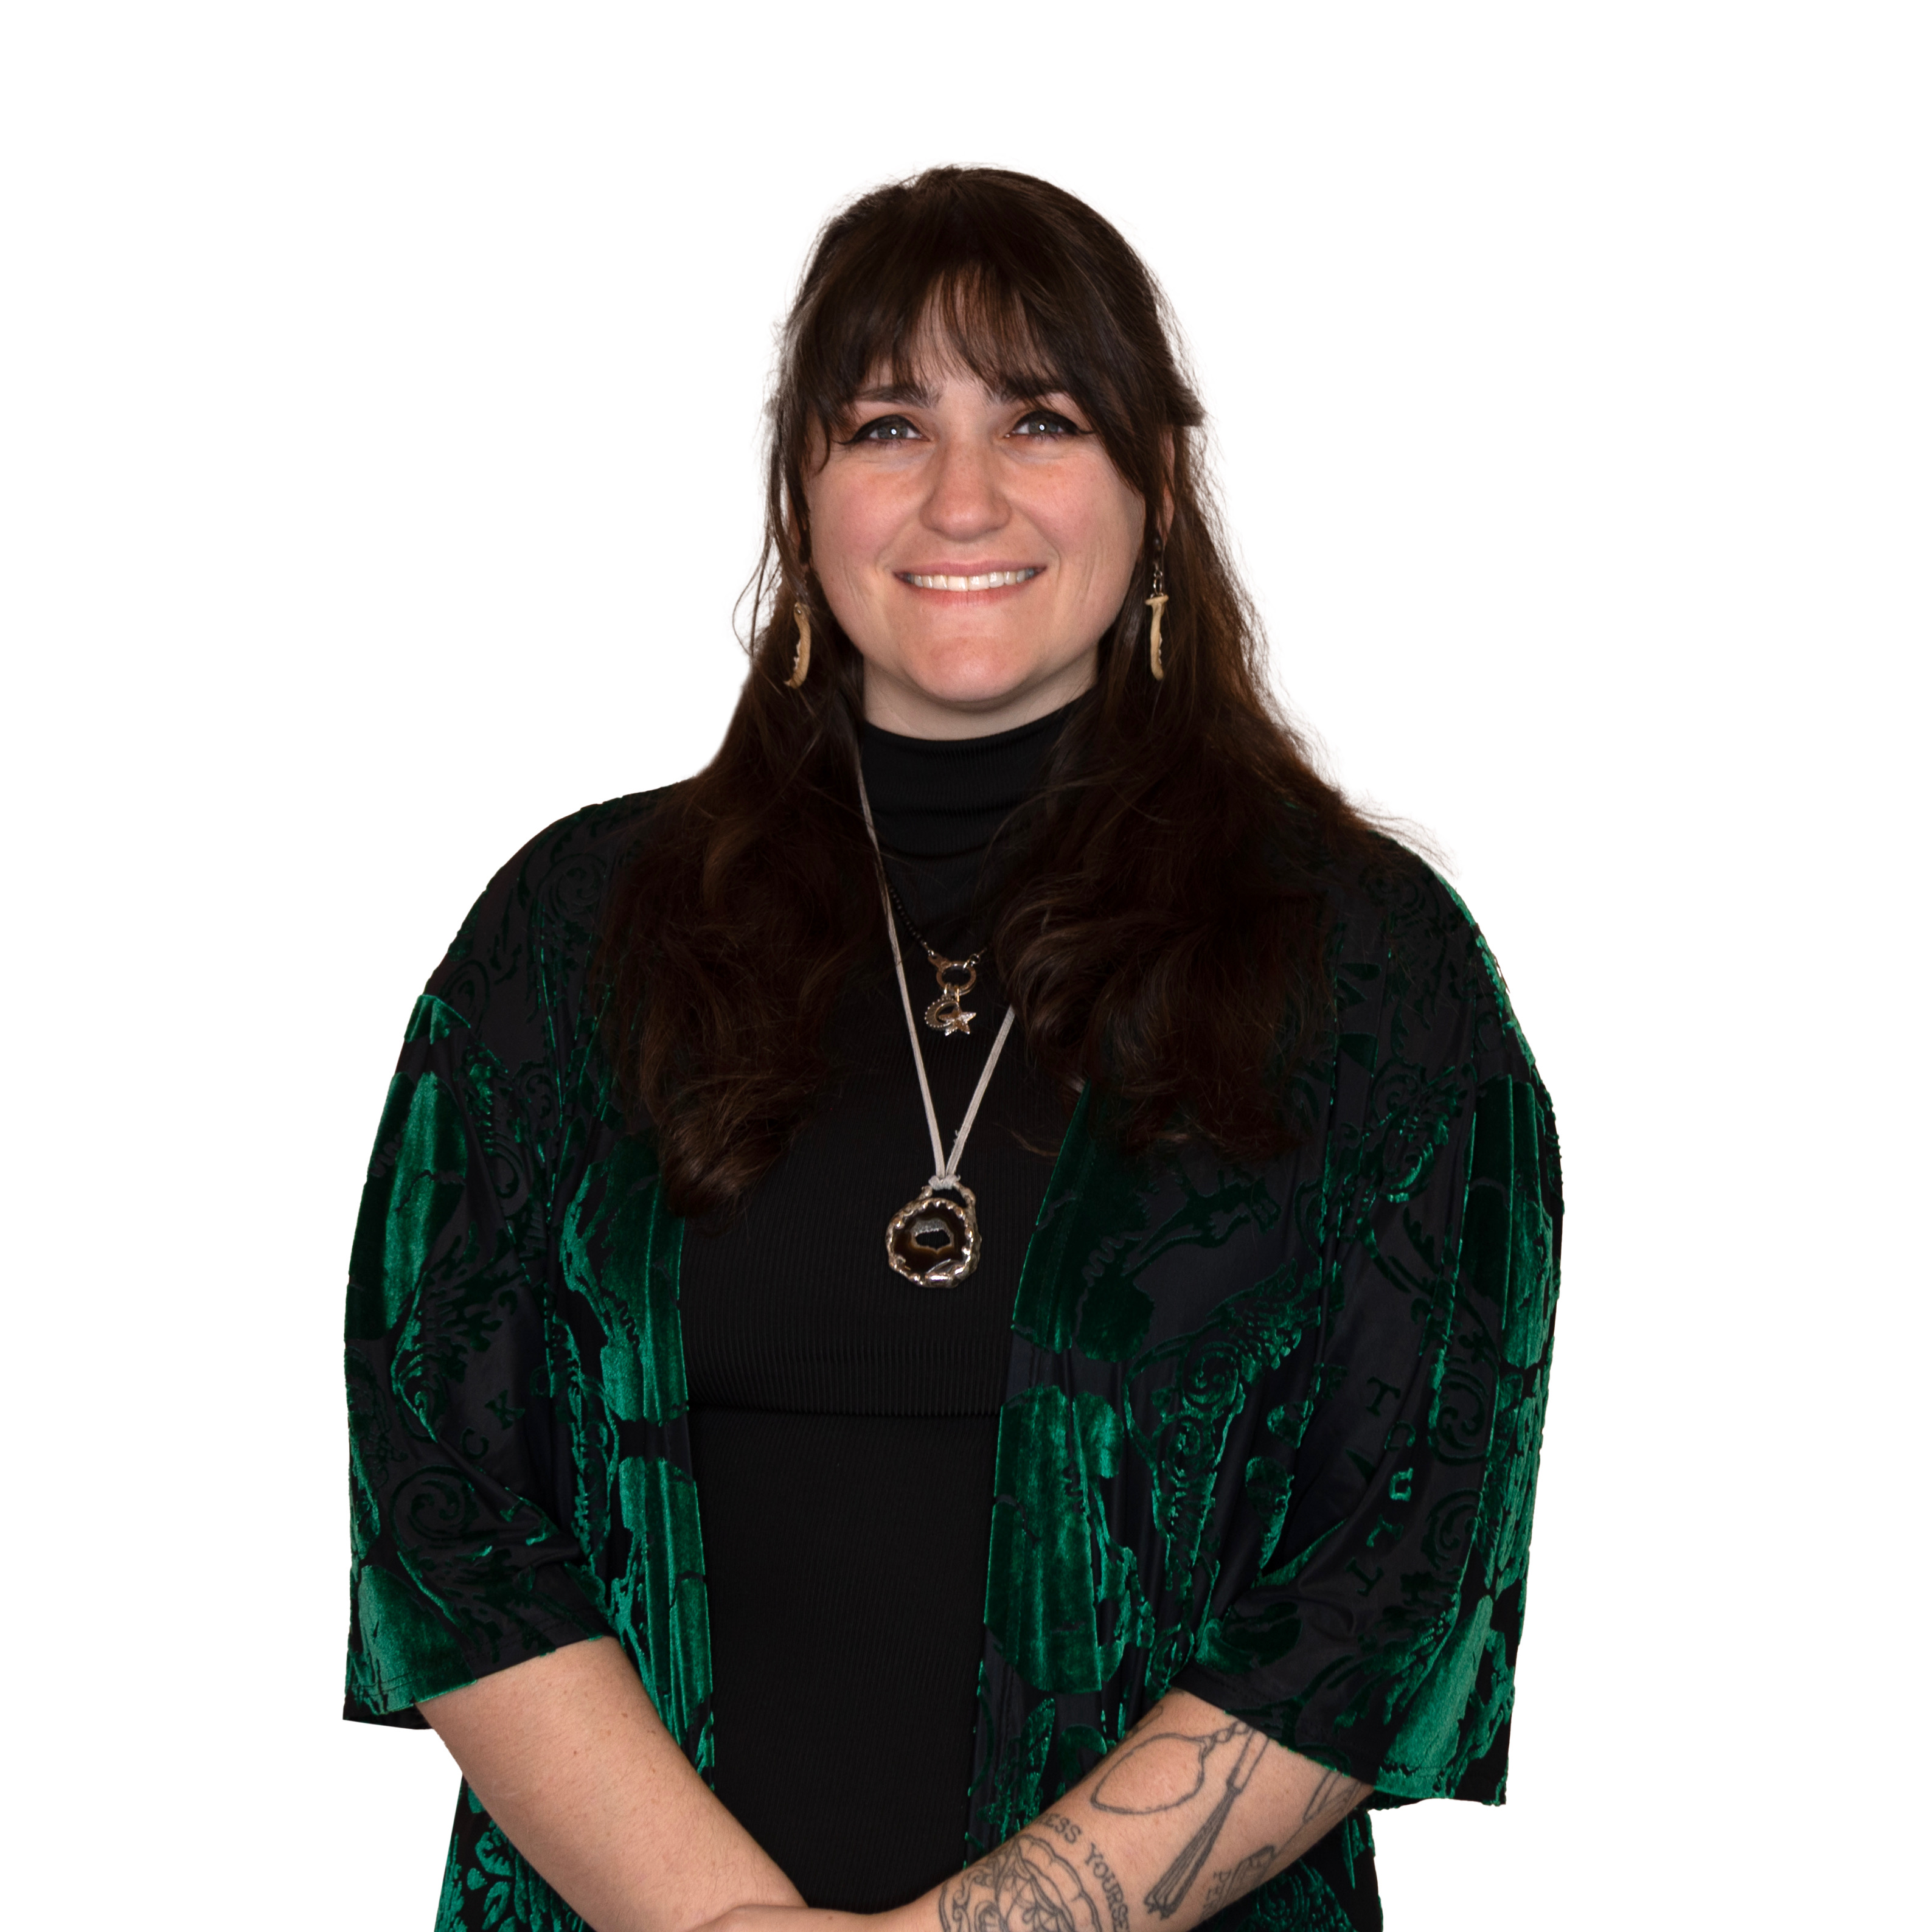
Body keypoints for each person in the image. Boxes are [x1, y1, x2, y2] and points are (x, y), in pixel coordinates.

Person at [341, 166, 1562, 1932]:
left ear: (1153, 483)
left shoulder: (1373, 973)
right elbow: (443, 1496)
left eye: (1042, 418)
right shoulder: (572, 932)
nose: (963, 496)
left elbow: (1388, 1575)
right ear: (804, 490)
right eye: (889, 423)